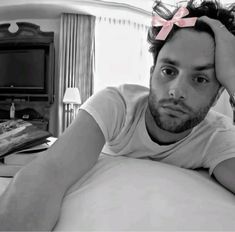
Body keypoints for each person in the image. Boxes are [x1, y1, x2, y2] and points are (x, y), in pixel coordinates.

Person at [1, 0, 235, 230]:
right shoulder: (116, 105)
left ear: (218, 95)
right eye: (168, 71)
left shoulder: (216, 137)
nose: (177, 90)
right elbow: (46, 175)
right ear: (151, 75)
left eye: (200, 79)